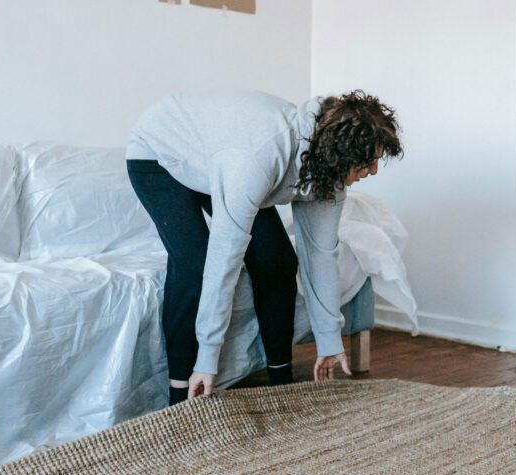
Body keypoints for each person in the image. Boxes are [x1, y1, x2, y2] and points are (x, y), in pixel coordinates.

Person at [126, 90, 401, 405]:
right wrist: (207, 359)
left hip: (217, 156)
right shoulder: (259, 157)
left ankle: (280, 381)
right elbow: (224, 258)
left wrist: (328, 341)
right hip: (159, 154)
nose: (375, 170)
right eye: (371, 160)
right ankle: (180, 393)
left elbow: (321, 254)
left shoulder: (328, 172)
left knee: (279, 261)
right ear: (342, 152)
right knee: (196, 264)